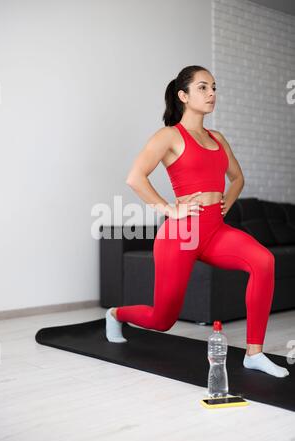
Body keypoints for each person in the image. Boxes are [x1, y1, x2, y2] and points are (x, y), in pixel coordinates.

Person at [105, 65, 289, 378]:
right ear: (183, 95)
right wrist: (169, 209)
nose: (212, 93)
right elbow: (135, 177)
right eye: (203, 87)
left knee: (264, 261)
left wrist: (226, 204)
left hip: (215, 231)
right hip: (181, 234)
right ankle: (115, 314)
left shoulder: (217, 138)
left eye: (214, 87)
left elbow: (237, 177)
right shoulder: (169, 136)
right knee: (163, 319)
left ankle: (254, 353)